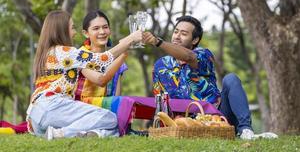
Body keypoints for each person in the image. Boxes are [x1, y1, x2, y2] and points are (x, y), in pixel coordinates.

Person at [143, 15, 277, 140]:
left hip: (217, 117)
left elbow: (188, 57)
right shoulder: (161, 65)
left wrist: (157, 42)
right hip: (182, 123)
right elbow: (160, 99)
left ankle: (246, 131)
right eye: (176, 31)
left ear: (195, 40)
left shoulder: (203, 54)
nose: (177, 36)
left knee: (231, 79)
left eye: (184, 34)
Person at [26, 10, 142, 140]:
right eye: (72, 28)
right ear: (62, 30)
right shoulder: (65, 52)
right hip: (52, 108)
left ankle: (91, 135)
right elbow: (101, 60)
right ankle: (61, 134)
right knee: (110, 118)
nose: (75, 32)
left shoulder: (47, 52)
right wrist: (129, 40)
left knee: (114, 130)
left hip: (36, 118)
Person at [75, 10, 128, 103]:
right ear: (86, 33)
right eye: (96, 28)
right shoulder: (80, 55)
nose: (102, 32)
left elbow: (116, 97)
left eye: (105, 27)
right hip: (81, 113)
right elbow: (101, 80)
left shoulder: (117, 59)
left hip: (106, 113)